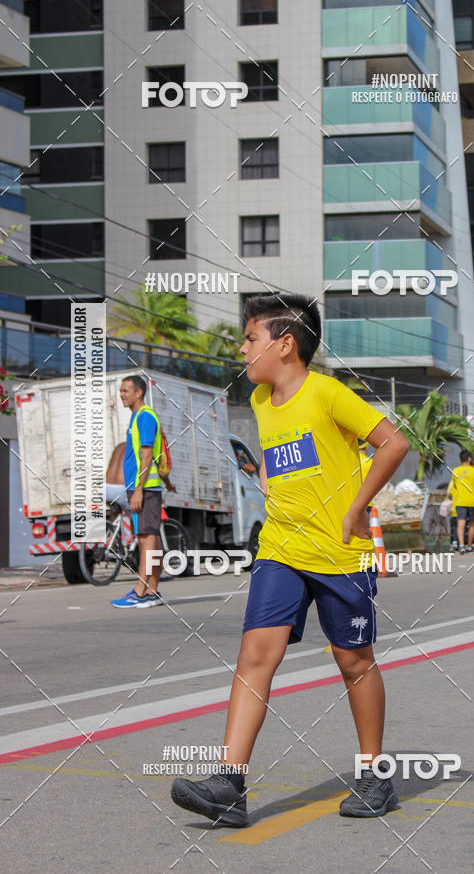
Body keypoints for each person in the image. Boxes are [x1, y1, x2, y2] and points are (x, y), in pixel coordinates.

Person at [170, 293, 409, 825]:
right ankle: (230, 782)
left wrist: (356, 507)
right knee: (256, 652)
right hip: (280, 547)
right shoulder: (259, 402)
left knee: (353, 661)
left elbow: (392, 443)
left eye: (250, 338)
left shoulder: (327, 393)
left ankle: (375, 774)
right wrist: (270, 480)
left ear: (285, 344)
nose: (241, 348)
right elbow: (289, 460)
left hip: (337, 552)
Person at [111, 375, 175, 608]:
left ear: (139, 392)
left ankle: (140, 590)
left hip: (145, 489)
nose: (122, 394)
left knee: (145, 539)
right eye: (121, 390)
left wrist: (138, 489)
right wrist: (166, 483)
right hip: (148, 488)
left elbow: (148, 455)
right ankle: (152, 591)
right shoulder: (139, 417)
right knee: (153, 539)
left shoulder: (144, 417)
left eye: (126, 390)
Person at [446, 450, 474, 553]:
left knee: (460, 523)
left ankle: (461, 546)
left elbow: (454, 485)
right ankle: (469, 546)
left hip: (460, 501)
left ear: (460, 460)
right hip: (473, 501)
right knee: (472, 524)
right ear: (469, 459)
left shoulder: (455, 471)